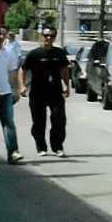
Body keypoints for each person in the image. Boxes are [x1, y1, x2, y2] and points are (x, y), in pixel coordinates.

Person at [20, 26, 71, 157]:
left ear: (55, 37)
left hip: (55, 92)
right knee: (39, 122)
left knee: (59, 119)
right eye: (46, 35)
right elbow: (23, 70)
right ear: (41, 36)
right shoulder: (34, 54)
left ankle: (57, 147)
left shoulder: (59, 53)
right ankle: (41, 146)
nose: (48, 38)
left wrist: (67, 85)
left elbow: (64, 70)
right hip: (37, 93)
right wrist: (22, 86)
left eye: (52, 36)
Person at [0, 27, 24, 164]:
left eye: (3, 34)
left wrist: (15, 90)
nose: (0, 37)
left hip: (4, 93)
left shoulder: (9, 52)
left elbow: (12, 73)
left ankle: (13, 152)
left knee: (9, 123)